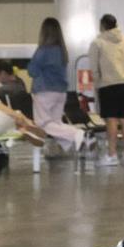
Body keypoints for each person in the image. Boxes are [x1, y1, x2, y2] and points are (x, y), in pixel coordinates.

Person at [27, 18, 85, 151]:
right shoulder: (62, 51)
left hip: (44, 91)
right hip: (61, 92)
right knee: (56, 124)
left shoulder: (43, 50)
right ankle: (67, 146)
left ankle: (77, 134)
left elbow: (32, 71)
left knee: (42, 125)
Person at [90, 14, 124, 166]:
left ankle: (112, 154)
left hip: (107, 84)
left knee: (111, 120)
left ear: (102, 25)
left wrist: (96, 84)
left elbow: (94, 68)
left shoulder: (98, 43)